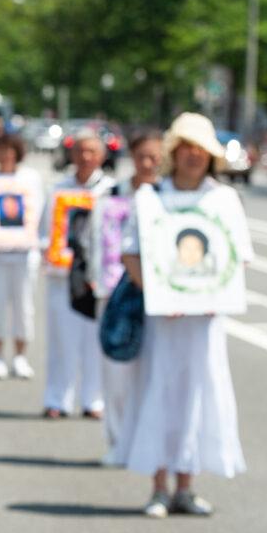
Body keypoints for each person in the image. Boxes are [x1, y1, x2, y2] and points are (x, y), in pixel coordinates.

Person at [116, 113, 250, 517]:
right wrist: (159, 293)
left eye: (201, 150)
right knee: (160, 392)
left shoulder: (223, 199)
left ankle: (186, 484)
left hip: (204, 322)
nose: (194, 156)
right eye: (187, 148)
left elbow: (235, 258)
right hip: (164, 321)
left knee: (198, 395)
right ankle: (159, 485)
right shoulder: (151, 198)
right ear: (174, 153)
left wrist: (209, 295)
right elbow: (130, 255)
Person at [96, 131, 162, 463]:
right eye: (142, 157)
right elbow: (99, 243)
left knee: (150, 375)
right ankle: (117, 442)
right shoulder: (114, 193)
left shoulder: (168, 196)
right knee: (116, 373)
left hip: (160, 297)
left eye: (155, 157)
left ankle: (142, 444)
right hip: (117, 291)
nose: (148, 164)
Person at [40, 129, 114, 419]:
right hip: (63, 274)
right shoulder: (58, 189)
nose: (85, 157)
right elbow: (45, 230)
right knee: (61, 339)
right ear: (71, 154)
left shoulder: (111, 190)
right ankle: (57, 398)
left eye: (91, 151)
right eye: (80, 151)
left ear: (102, 156)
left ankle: (93, 399)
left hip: (98, 276)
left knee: (94, 340)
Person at [0, 134, 40, 379]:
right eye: (2, 150)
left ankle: (20, 356)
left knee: (23, 307)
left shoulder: (30, 178)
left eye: (11, 150)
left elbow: (38, 212)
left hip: (24, 253)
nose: (6, 155)